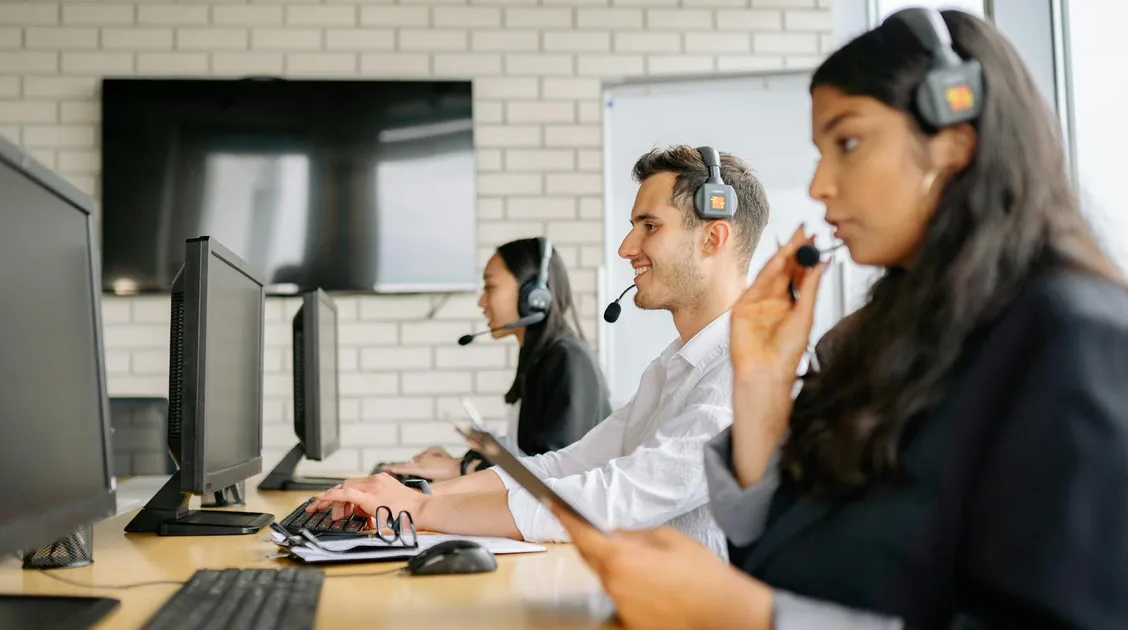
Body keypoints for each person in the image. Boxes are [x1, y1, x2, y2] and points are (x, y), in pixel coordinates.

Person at [549, 8, 1128, 630]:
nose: (820, 184)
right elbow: (791, 555)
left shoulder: (1074, 340)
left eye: (847, 143)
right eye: (820, 153)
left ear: (955, 136)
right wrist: (763, 390)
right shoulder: (877, 340)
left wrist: (748, 616)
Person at [307, 146, 772, 554]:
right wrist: (416, 494)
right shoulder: (673, 366)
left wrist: (422, 508)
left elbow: (614, 499)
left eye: (649, 226)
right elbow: (564, 463)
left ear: (713, 237)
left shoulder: (742, 374)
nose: (626, 247)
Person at [384, 237, 612, 481]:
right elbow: (526, 454)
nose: (482, 302)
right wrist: (466, 460)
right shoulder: (540, 357)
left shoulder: (568, 360)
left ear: (534, 296)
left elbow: (555, 475)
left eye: (490, 287)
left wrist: (462, 470)